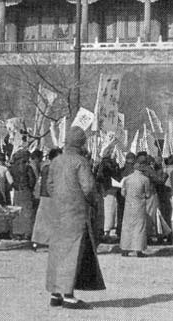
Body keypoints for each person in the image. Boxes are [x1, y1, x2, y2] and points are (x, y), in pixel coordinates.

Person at [45, 127, 105, 310]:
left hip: (57, 211)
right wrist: (94, 203)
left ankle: (55, 293)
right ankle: (69, 296)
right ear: (81, 143)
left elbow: (49, 185)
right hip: (76, 211)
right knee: (72, 252)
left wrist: (59, 199)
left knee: (57, 250)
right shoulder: (81, 162)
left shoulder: (56, 161)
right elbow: (87, 188)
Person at [120, 155, 152, 257]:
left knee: (127, 226)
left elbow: (123, 193)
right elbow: (148, 194)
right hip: (139, 205)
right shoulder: (145, 179)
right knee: (139, 227)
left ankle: (125, 248)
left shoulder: (127, 179)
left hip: (129, 205)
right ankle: (138, 249)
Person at [31, 148, 60, 251]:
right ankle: (49, 242)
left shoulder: (45, 168)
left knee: (41, 220)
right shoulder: (57, 169)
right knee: (52, 221)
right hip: (53, 197)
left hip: (43, 196)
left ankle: (36, 242)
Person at [9, 149, 37, 240]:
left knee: (17, 212)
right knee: (27, 212)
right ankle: (27, 233)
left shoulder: (12, 168)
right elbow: (32, 180)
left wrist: (16, 186)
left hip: (17, 191)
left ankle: (17, 233)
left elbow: (10, 181)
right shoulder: (27, 167)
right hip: (26, 190)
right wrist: (30, 188)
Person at [95, 150, 121, 239]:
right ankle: (108, 230)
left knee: (107, 210)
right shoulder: (109, 164)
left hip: (105, 189)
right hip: (110, 188)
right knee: (111, 210)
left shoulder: (101, 165)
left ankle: (105, 230)